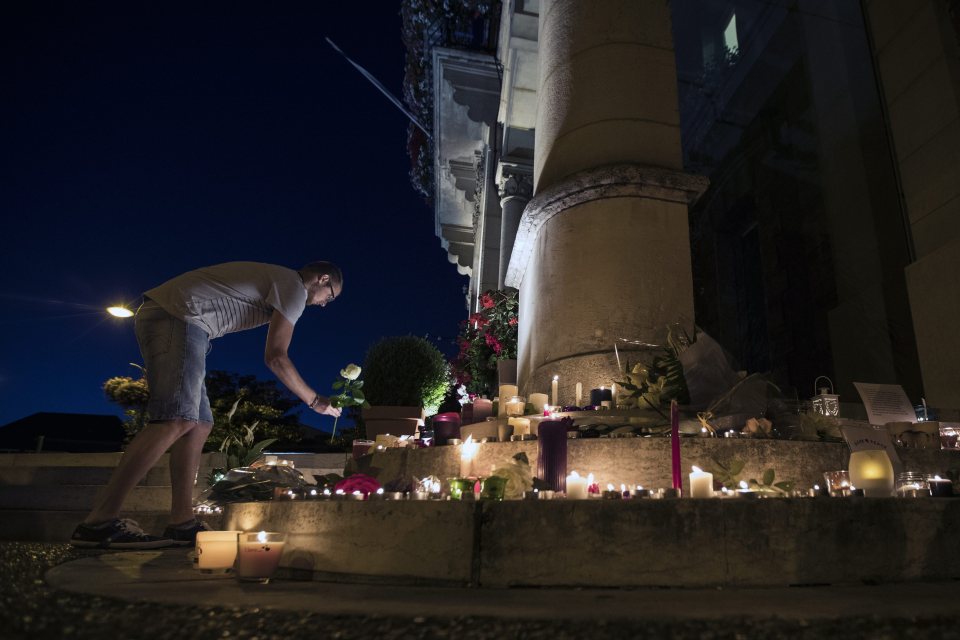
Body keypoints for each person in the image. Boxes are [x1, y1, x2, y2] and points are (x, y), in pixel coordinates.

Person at [70, 261, 343, 549]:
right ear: (322, 279)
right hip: (178, 317)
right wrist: (314, 401)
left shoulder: (281, 282)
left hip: (181, 320)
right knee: (177, 418)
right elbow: (276, 356)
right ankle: (99, 522)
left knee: (199, 424)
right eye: (331, 296)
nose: (325, 304)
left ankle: (182, 522)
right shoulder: (294, 287)